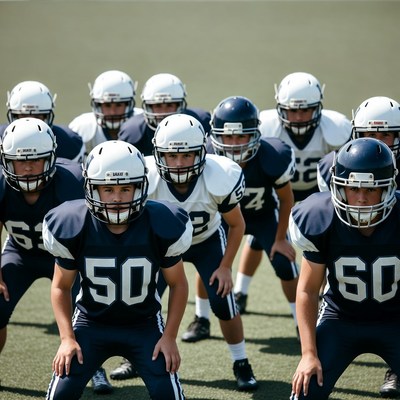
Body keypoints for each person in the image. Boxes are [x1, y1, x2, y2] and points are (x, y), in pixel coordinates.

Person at [42, 140, 192, 400]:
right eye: (107, 189)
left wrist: (169, 337)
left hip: (143, 324)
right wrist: (67, 338)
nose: (117, 197)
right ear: (91, 189)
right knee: (61, 394)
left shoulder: (162, 223)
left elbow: (178, 284)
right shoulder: (72, 224)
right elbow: (60, 286)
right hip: (91, 323)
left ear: (140, 187)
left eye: (125, 189)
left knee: (168, 393)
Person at [145, 113, 258, 391]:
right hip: (164, 247)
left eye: (187, 155)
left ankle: (241, 362)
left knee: (223, 302)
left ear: (202, 153)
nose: (180, 163)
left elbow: (237, 224)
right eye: (172, 156)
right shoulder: (147, 179)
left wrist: (226, 266)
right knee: (145, 301)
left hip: (207, 240)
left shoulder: (219, 177)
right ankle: (138, 358)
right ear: (159, 154)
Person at [110, 72, 211, 381]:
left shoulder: (198, 128)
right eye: (158, 104)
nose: (165, 111)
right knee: (146, 293)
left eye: (171, 104)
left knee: (211, 282)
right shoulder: (132, 133)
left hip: (199, 222)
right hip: (153, 222)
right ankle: (134, 358)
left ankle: (208, 325)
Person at [289, 137, 400, 400]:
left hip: (396, 319)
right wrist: (308, 354)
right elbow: (306, 290)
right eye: (353, 188)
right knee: (305, 391)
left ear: (387, 188)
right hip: (341, 318)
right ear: (337, 187)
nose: (361, 198)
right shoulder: (321, 217)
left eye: (371, 189)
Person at [234, 72, 351, 316]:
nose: (298, 117)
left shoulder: (336, 129)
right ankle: (240, 291)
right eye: (292, 110)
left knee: (322, 241)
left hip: (317, 191)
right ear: (280, 108)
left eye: (305, 110)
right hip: (278, 189)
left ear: (318, 107)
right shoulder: (267, 127)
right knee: (256, 237)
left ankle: (320, 293)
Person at [186, 96, 297, 343]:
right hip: (224, 220)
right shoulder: (207, 156)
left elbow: (287, 199)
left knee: (284, 263)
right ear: (215, 135)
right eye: (227, 137)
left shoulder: (271, 156)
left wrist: (280, 238)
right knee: (210, 265)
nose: (234, 144)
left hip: (263, 216)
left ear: (255, 134)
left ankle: (301, 322)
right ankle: (201, 319)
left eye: (241, 137)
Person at [316, 96, 400, 398]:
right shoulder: (336, 167)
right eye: (369, 134)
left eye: (385, 134)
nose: (378, 142)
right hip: (344, 309)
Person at [0, 117, 85, 389]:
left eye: (35, 160)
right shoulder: (1, 185)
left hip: (65, 258)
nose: (26, 168)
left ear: (51, 157)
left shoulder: (72, 181)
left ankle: (92, 369)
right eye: (19, 160)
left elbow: (89, 231)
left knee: (85, 314)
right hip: (21, 253)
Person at [118, 72, 211, 155]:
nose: (164, 112)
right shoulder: (133, 132)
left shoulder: (200, 121)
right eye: (158, 106)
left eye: (169, 105)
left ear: (180, 106)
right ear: (148, 107)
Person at [0, 80, 85, 163]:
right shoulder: (1, 137)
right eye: (24, 116)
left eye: (37, 116)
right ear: (13, 116)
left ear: (47, 117)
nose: (30, 122)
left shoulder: (69, 142)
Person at [69, 70, 143, 156]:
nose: (113, 112)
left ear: (128, 105)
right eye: (107, 105)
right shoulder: (81, 127)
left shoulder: (142, 125)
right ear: (98, 105)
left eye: (118, 105)